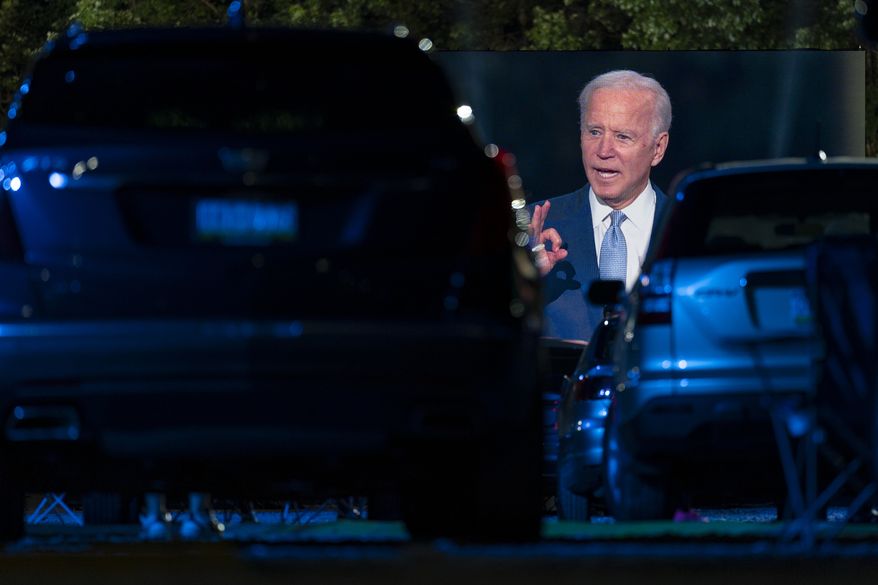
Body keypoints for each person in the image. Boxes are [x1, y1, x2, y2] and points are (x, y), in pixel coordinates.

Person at [529, 69, 672, 342]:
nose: (604, 150)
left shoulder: (688, 230)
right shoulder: (533, 228)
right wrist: (522, 282)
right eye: (594, 132)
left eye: (622, 137)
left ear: (658, 148)